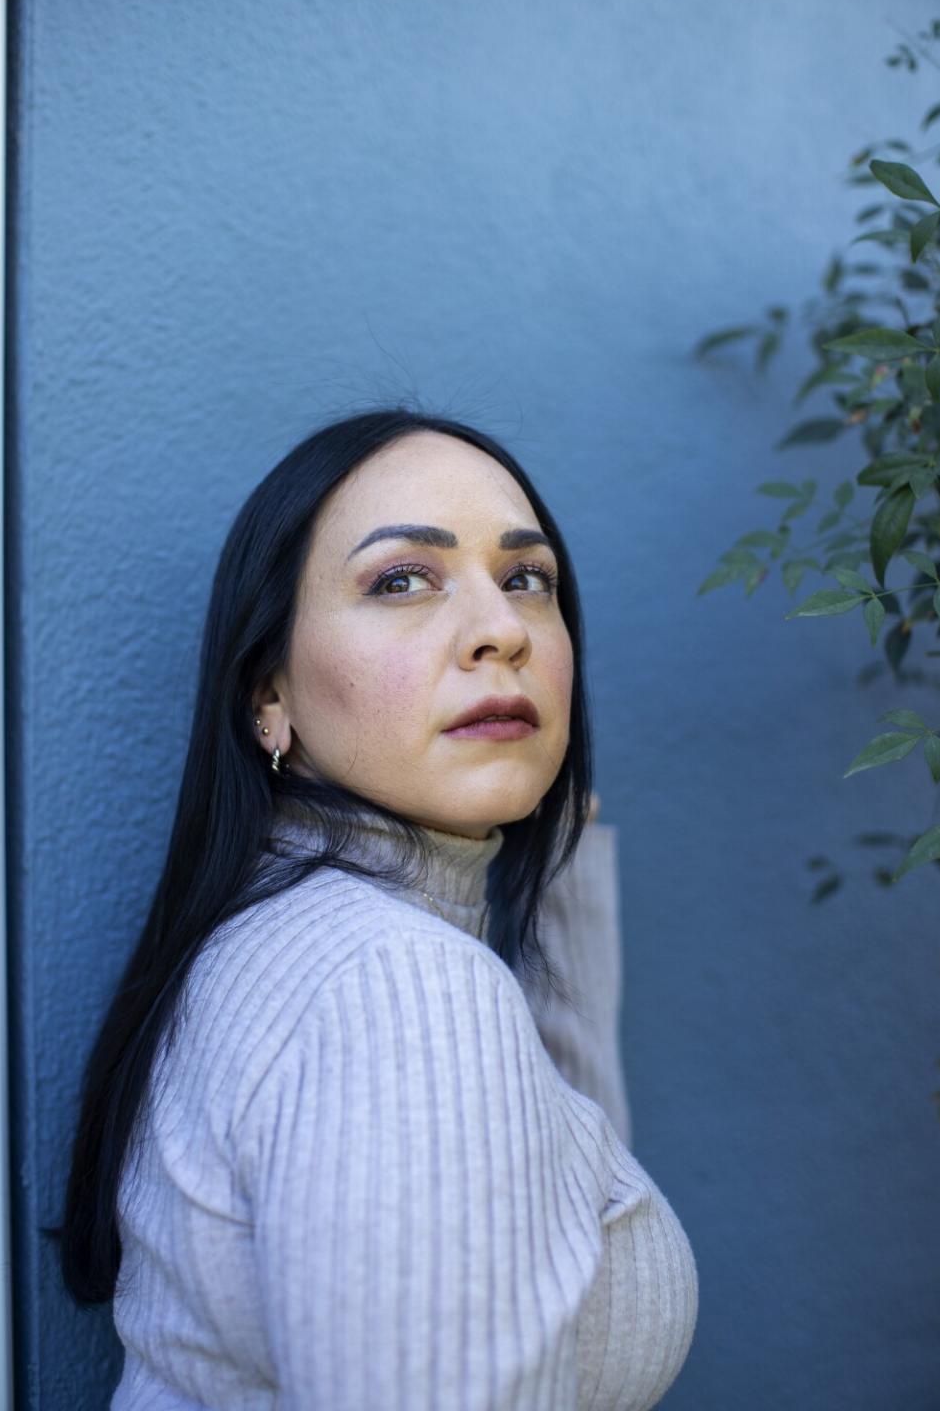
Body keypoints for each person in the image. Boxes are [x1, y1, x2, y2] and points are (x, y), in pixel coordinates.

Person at [55, 407, 698, 1409]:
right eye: (401, 580)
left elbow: (559, 1211)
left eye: (526, 578)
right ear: (269, 694)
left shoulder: (296, 945)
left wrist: (555, 868)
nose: (500, 631)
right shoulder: (398, 988)